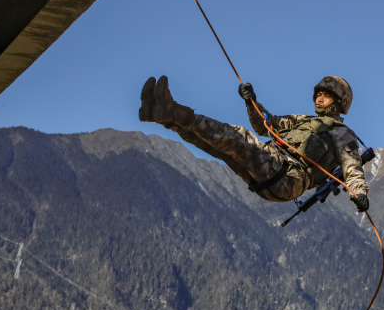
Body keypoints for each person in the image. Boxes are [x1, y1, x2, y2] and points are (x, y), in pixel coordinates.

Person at [138, 75, 369, 212]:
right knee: (221, 148)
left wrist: (359, 193)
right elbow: (265, 124)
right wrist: (252, 102)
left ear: (339, 102)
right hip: (272, 167)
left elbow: (352, 167)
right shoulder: (302, 120)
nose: (319, 98)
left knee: (240, 137)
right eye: (318, 93)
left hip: (290, 178)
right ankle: (165, 117)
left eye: (326, 95)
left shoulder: (342, 133)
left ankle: (172, 111)